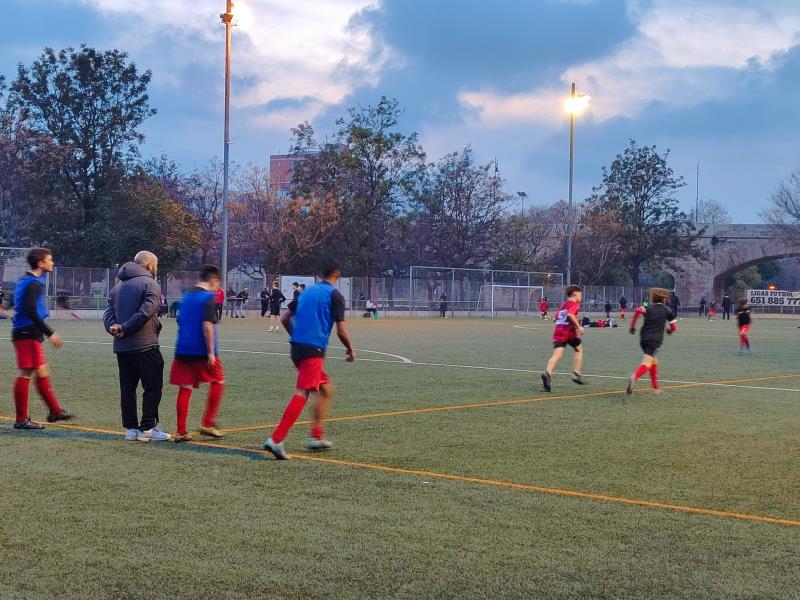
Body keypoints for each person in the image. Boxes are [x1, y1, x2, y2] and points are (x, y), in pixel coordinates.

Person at [263, 260, 355, 460]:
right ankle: (276, 439)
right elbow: (341, 330)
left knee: (326, 390)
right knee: (303, 392)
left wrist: (296, 337)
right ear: (336, 275)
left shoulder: (306, 292)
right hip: (313, 350)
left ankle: (316, 436)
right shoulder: (335, 295)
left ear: (321, 274)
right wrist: (350, 349)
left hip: (296, 348)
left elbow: (285, 318)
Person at [103, 251, 170, 442]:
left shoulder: (117, 286)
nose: (156, 268)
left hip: (122, 348)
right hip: (145, 345)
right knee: (153, 387)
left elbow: (108, 312)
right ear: (149, 265)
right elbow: (146, 312)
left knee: (128, 389)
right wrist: (125, 328)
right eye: (155, 265)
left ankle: (131, 429)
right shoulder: (150, 284)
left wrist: (113, 327)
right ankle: (148, 427)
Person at [10, 248, 74, 429]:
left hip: (27, 332)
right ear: (41, 263)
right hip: (27, 332)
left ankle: (55, 411)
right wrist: (50, 332)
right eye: (50, 260)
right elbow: (30, 310)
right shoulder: (34, 283)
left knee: (43, 371)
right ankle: (21, 420)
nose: (52, 263)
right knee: (26, 374)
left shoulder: (27, 280)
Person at [169, 264, 226, 442]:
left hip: (182, 349)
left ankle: (181, 431)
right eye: (218, 284)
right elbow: (207, 325)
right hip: (202, 350)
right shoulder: (208, 298)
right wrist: (210, 352)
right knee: (218, 381)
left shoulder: (186, 297)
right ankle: (208, 423)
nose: (218, 288)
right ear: (213, 280)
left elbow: (180, 321)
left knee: (185, 388)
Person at [626, 288, 677, 395]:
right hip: (655, 340)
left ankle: (655, 388)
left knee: (654, 361)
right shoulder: (667, 310)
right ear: (664, 300)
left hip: (643, 338)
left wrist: (632, 327)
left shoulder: (648, 308)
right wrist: (669, 330)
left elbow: (638, 311)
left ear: (653, 299)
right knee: (646, 363)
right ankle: (634, 377)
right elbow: (673, 327)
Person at [541, 285, 585, 392]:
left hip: (558, 331)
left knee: (557, 355)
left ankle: (548, 374)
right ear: (575, 294)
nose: (581, 297)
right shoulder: (574, 304)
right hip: (569, 332)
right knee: (579, 350)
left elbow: (555, 318)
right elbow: (570, 315)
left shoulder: (563, 305)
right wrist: (578, 326)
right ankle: (576, 373)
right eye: (580, 294)